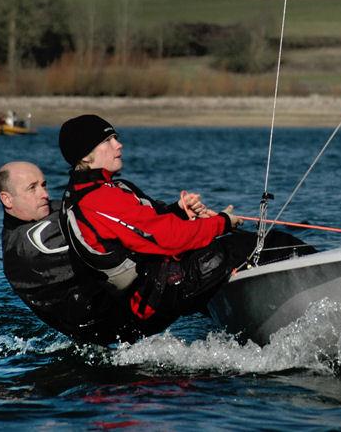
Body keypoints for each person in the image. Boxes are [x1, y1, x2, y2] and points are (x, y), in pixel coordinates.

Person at [58, 114, 315, 335]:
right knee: (267, 244)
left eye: (115, 137)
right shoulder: (99, 198)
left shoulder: (95, 190)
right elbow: (169, 239)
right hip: (151, 296)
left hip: (155, 286)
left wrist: (179, 211)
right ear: (87, 155)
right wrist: (222, 222)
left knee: (232, 248)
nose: (119, 145)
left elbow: (146, 226)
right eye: (108, 141)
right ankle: (325, 287)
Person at [0, 161, 149, 344]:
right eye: (32, 188)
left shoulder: (44, 212)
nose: (44, 194)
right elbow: (105, 225)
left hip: (120, 324)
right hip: (116, 331)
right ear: (7, 199)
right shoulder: (30, 243)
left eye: (44, 185)